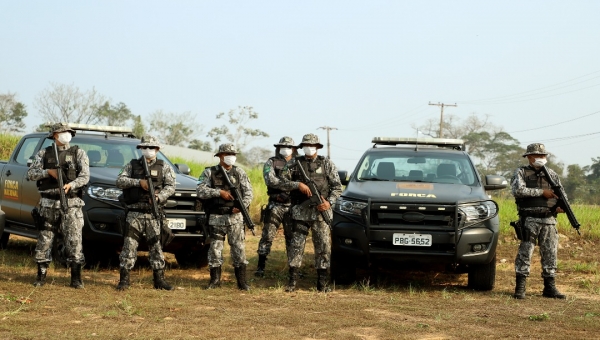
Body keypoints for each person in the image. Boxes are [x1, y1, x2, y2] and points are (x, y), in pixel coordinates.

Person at [28, 123, 90, 288]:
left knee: (74, 240)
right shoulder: (44, 153)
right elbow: (31, 174)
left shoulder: (78, 153)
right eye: (63, 132)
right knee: (45, 240)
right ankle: (41, 276)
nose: (66, 135)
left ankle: (76, 279)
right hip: (48, 203)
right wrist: (48, 172)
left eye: (68, 132)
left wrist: (72, 185)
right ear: (54, 135)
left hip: (71, 203)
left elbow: (85, 176)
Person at [115, 135, 175, 291]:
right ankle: (124, 280)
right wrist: (138, 182)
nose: (149, 150)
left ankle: (159, 280)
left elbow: (171, 186)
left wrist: (159, 196)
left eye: (152, 148)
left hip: (153, 213)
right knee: (129, 246)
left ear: (157, 149)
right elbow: (119, 180)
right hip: (134, 212)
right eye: (145, 147)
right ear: (141, 149)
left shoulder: (164, 167)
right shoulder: (132, 165)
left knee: (156, 247)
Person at [286, 133, 342, 292]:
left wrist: (328, 203)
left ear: (317, 147)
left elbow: (337, 187)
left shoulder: (327, 164)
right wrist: (298, 185)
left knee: (323, 246)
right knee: (296, 246)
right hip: (300, 212)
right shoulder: (294, 164)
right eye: (306, 145)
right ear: (302, 147)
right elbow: (281, 183)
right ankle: (292, 281)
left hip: (320, 213)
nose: (309, 148)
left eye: (312, 145)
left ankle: (322, 283)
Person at [512, 143, 566, 299]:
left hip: (549, 219)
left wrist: (559, 207)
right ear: (529, 157)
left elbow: (561, 195)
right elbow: (518, 190)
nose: (542, 158)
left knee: (550, 253)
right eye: (538, 155)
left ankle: (550, 287)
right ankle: (520, 287)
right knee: (525, 252)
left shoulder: (552, 174)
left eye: (543, 156)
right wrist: (542, 192)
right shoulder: (521, 172)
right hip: (529, 219)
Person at [196, 143, 254, 290]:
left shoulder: (240, 172)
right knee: (215, 249)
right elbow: (200, 190)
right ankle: (215, 281)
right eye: (228, 154)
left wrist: (240, 207)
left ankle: (241, 282)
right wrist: (219, 193)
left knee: (238, 249)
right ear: (221, 156)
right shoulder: (210, 172)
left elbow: (249, 193)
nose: (231, 157)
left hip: (235, 218)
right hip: (216, 216)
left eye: (233, 155)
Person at [255, 136, 305, 277]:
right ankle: (260, 267)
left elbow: (304, 182)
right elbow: (270, 181)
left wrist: (291, 188)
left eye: (289, 147)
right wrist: (294, 186)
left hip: (293, 206)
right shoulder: (271, 162)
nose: (285, 149)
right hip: (275, 204)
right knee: (267, 236)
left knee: (292, 238)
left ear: (294, 149)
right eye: (282, 146)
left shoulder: (299, 163)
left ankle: (294, 268)